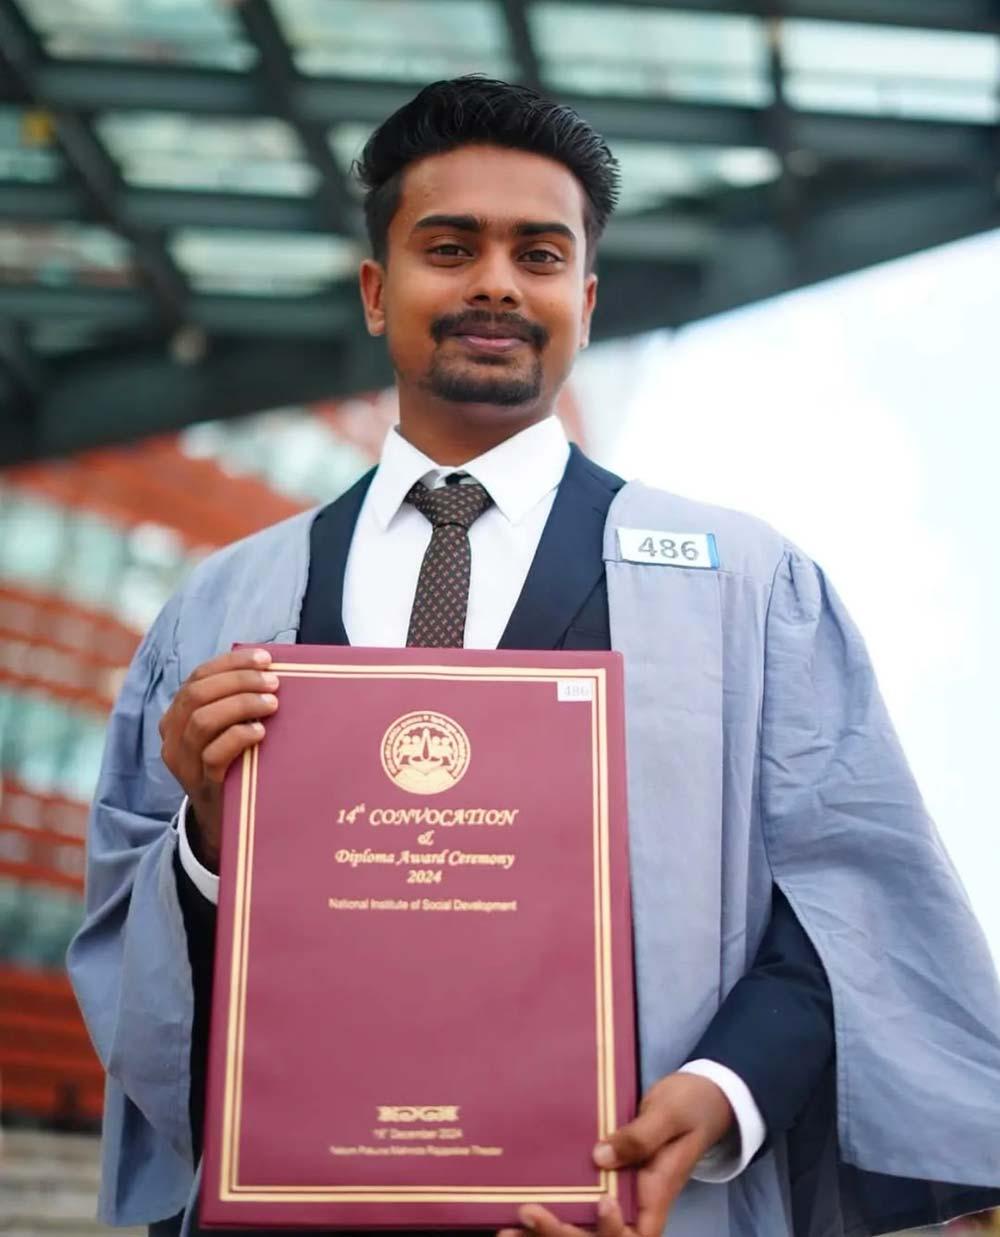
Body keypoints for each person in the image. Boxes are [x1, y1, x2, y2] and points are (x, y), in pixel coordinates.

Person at [67, 77, 1000, 1237]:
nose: (497, 283)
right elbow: (126, 936)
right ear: (376, 291)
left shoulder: (744, 588)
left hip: (627, 1209)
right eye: (448, 248)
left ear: (585, 300)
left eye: (540, 255)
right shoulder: (222, 605)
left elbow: (848, 900)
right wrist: (209, 841)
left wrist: (719, 1094)